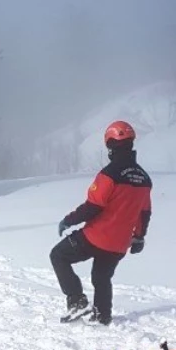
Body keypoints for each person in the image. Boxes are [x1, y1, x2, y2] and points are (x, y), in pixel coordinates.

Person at [50, 121, 151, 326]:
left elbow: (92, 207)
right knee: (101, 277)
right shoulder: (144, 179)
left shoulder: (109, 174)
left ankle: (77, 301)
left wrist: (68, 220)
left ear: (110, 144)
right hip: (120, 244)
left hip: (96, 237)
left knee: (58, 255)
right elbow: (144, 212)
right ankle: (102, 316)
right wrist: (139, 237)